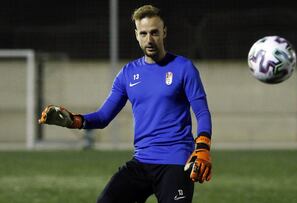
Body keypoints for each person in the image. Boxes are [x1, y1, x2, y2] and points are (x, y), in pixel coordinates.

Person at [38, 4, 212, 203]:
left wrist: (203, 147)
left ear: (164, 32)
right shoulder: (128, 74)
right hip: (142, 162)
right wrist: (74, 121)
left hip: (176, 162)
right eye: (144, 33)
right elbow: (103, 116)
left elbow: (202, 112)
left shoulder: (184, 68)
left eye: (155, 32)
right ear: (136, 34)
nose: (149, 39)